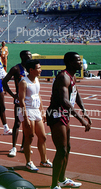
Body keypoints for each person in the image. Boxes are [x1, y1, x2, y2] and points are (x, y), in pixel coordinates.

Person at [47, 52, 91, 189]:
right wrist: (81, 120)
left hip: (64, 114)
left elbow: (75, 94)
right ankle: (54, 185)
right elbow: (65, 101)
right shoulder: (63, 77)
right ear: (71, 62)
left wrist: (84, 111)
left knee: (67, 149)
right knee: (61, 150)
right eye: (78, 60)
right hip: (56, 114)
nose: (80, 62)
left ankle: (62, 179)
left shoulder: (72, 76)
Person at [18, 59, 52, 172]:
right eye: (38, 68)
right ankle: (28, 162)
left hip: (36, 110)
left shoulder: (37, 80)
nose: (40, 70)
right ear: (31, 70)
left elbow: (38, 96)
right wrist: (25, 117)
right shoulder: (23, 82)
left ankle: (44, 160)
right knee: (30, 137)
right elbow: (21, 101)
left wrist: (42, 111)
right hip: (28, 111)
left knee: (43, 136)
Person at [2, 50, 32, 157]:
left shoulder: (31, 69)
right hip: (19, 101)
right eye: (28, 56)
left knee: (27, 124)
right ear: (22, 57)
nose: (30, 57)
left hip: (29, 101)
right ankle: (14, 147)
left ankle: (24, 146)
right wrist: (13, 94)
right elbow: (4, 81)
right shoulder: (16, 68)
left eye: (31, 55)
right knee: (18, 123)